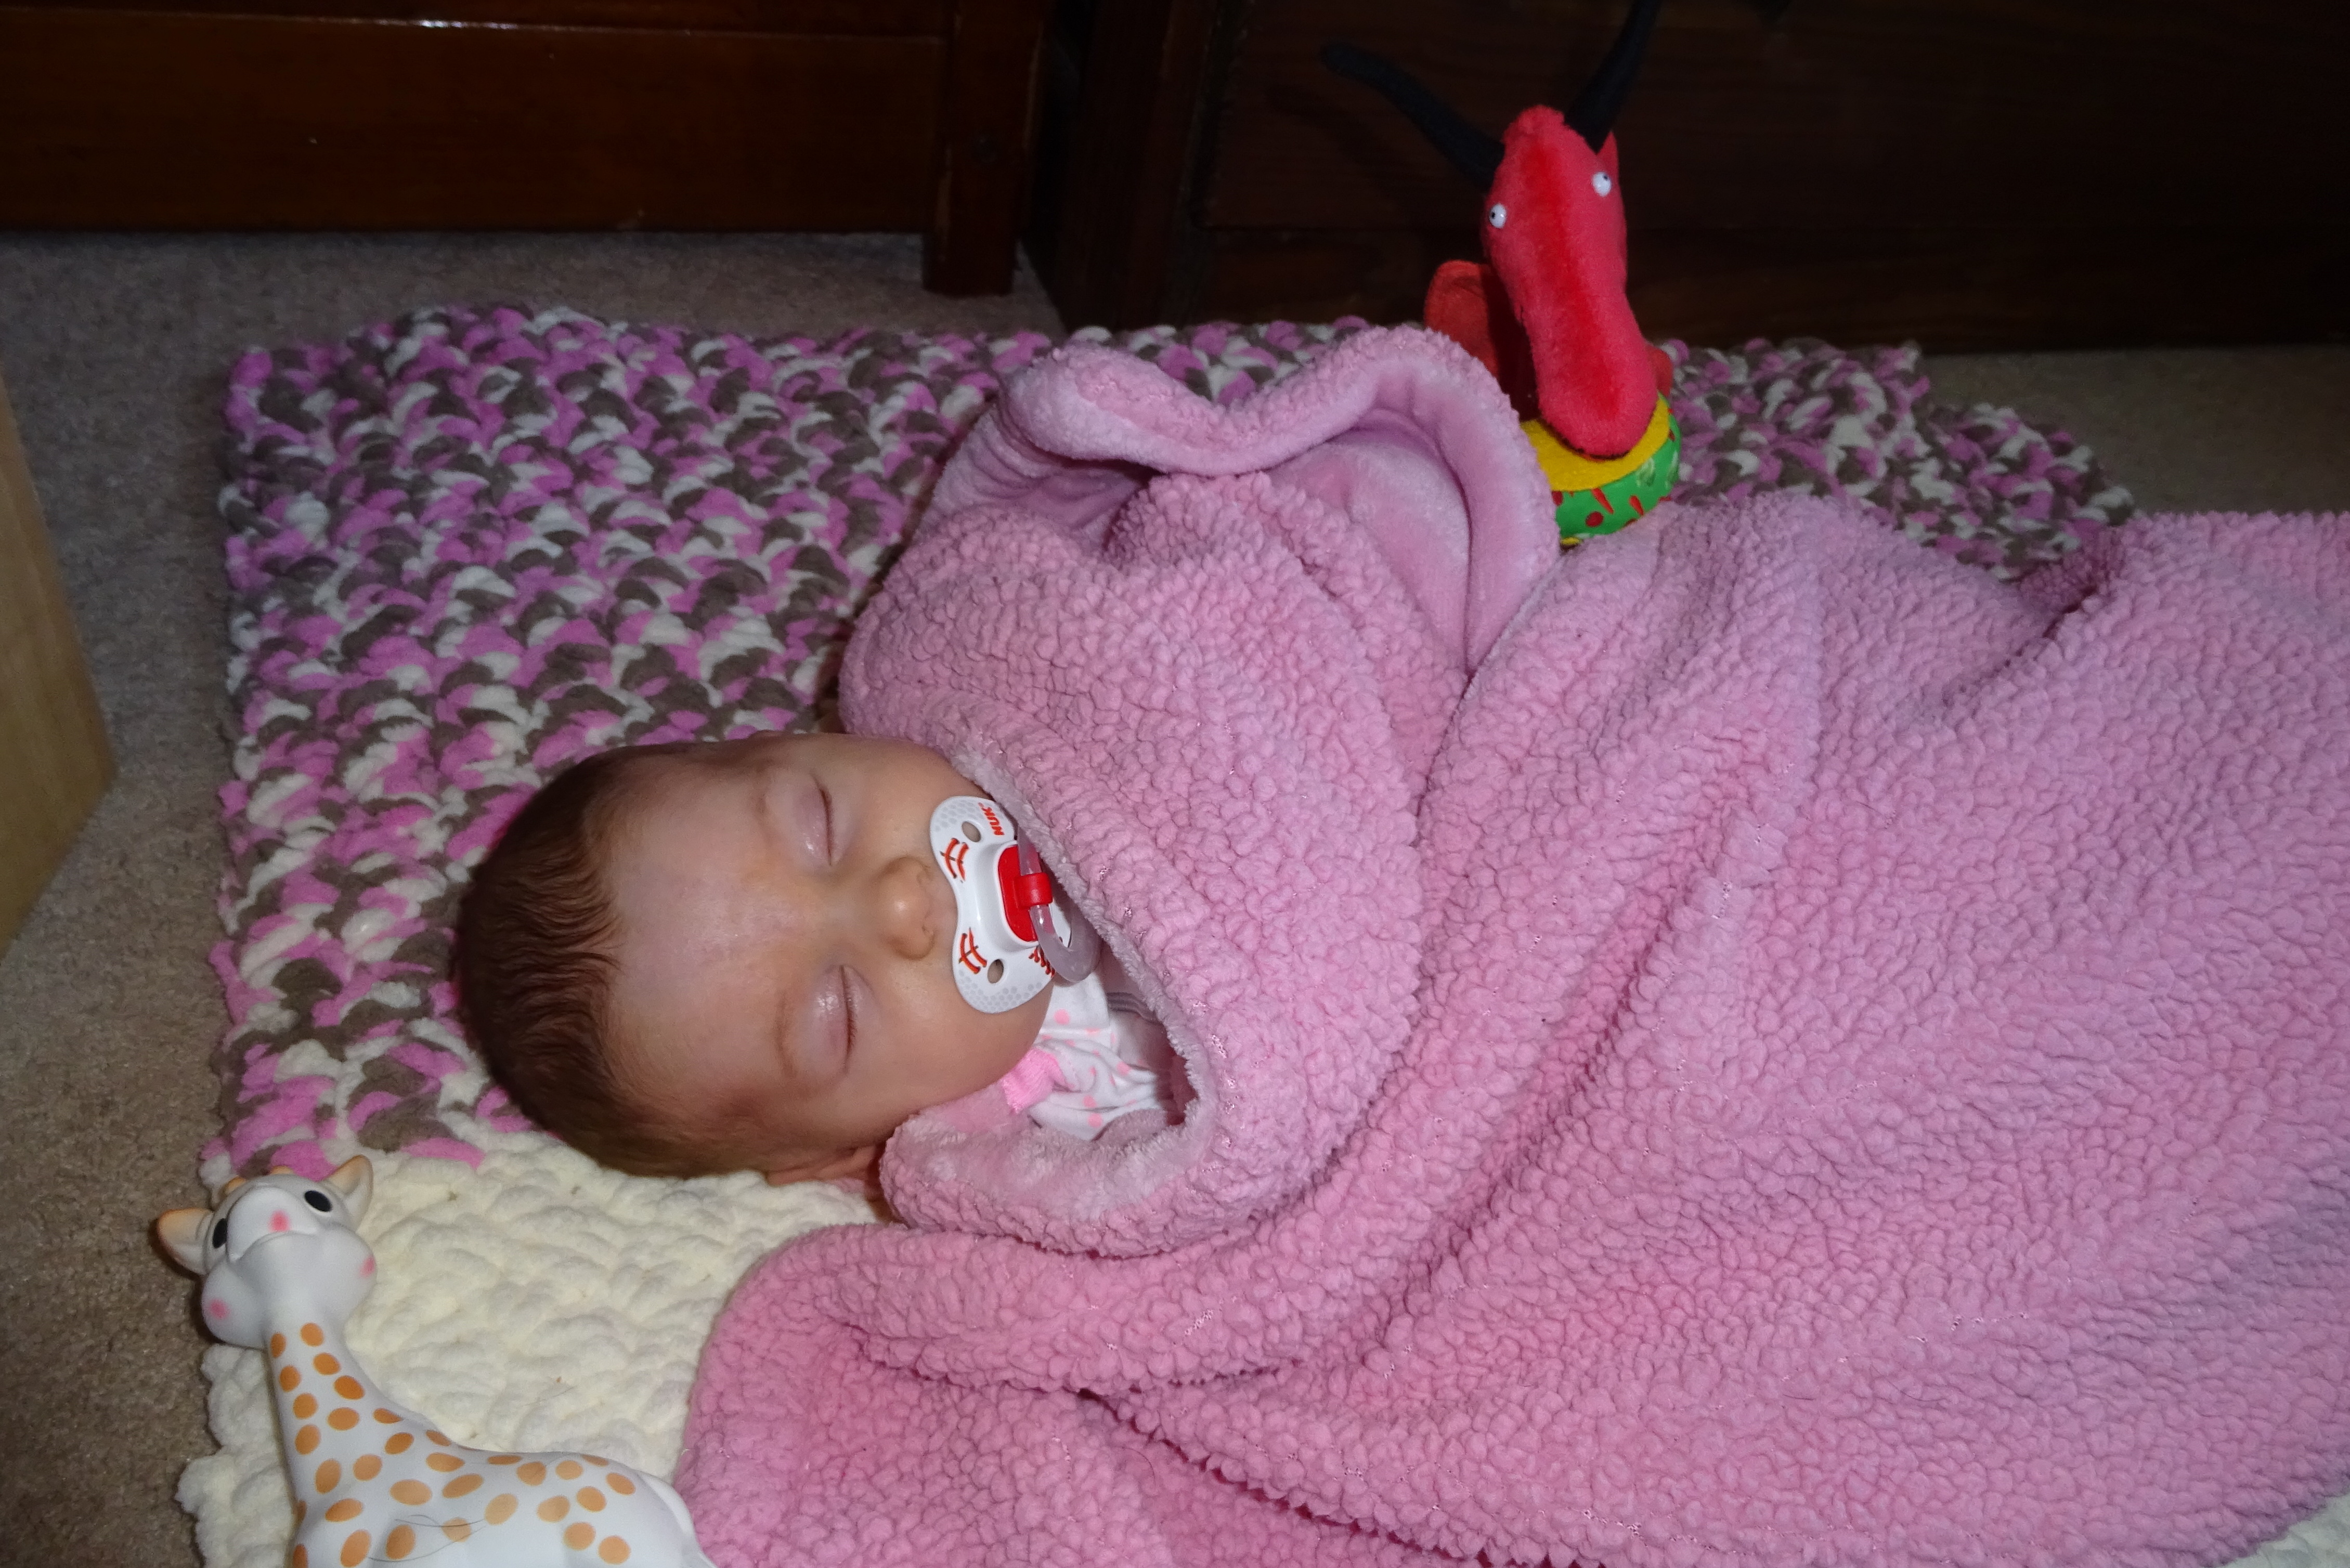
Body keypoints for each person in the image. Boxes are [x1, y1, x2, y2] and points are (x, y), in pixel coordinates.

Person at [455, 730, 1178, 1185]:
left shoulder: (1020, 711)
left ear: (797, 739)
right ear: (854, 1150)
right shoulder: (1092, 1167)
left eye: (821, 824)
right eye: (842, 1012)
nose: (900, 904)